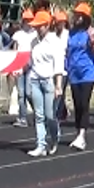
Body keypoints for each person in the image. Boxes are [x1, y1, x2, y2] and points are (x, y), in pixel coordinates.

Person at [25, 10, 62, 157]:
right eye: (36, 26)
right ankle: (40, 145)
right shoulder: (33, 42)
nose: (37, 28)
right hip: (35, 80)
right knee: (39, 116)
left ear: (47, 26)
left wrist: (58, 85)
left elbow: (58, 65)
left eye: (40, 25)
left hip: (49, 81)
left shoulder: (55, 42)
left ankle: (54, 138)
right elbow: (30, 62)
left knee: (50, 116)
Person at [65, 2, 94, 150]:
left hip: (87, 73)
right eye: (76, 14)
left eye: (80, 15)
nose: (76, 17)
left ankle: (82, 135)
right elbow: (68, 52)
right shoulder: (71, 33)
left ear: (85, 17)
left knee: (84, 104)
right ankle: (78, 133)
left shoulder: (90, 33)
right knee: (77, 105)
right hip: (74, 73)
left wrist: (93, 43)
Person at [10, 9, 38, 128]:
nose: (28, 23)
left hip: (31, 65)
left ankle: (38, 113)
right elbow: (15, 50)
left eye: (30, 20)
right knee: (21, 93)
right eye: (26, 20)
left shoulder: (35, 35)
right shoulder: (18, 35)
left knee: (29, 92)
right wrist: (14, 66)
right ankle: (22, 117)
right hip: (20, 65)